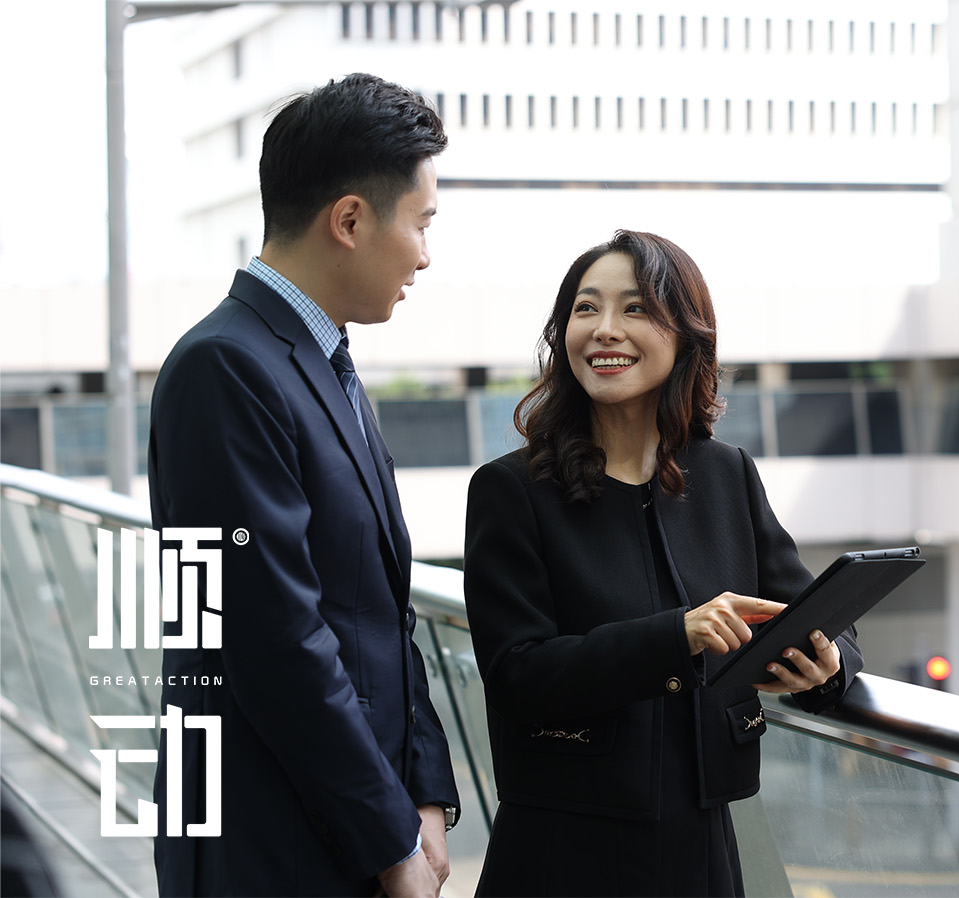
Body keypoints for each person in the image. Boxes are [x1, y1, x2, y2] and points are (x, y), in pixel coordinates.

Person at [463, 230, 862, 897]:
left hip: (702, 850)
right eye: (585, 309)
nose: (604, 330)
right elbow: (516, 673)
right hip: (563, 852)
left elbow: (820, 619)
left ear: (686, 336)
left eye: (636, 309)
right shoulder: (511, 490)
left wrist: (826, 668)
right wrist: (677, 635)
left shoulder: (726, 475)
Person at [147, 73, 460, 897]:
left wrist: (425, 792)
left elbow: (383, 610)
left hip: (341, 826)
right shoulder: (227, 367)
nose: (426, 253)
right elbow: (275, 639)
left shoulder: (321, 359)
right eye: (422, 224)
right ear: (350, 219)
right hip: (271, 844)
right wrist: (390, 842)